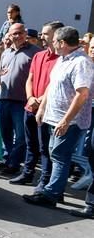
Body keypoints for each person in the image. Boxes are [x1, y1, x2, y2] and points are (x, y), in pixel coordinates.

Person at [23, 27, 94, 208]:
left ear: (62, 43)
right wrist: (42, 110)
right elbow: (51, 86)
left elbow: (82, 94)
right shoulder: (62, 60)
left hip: (70, 121)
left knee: (60, 155)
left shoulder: (81, 62)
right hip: (53, 117)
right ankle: (55, 190)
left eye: (54, 40)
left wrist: (66, 120)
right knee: (55, 154)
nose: (51, 43)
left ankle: (52, 194)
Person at [9, 21, 64, 186]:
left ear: (56, 35)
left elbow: (53, 84)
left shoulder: (62, 59)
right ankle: (27, 173)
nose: (42, 36)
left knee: (44, 147)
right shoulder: (39, 55)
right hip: (31, 107)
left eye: (46, 33)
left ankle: (44, 180)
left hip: (47, 110)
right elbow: (30, 79)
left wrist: (39, 101)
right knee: (30, 143)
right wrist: (31, 98)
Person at [0, 23, 40, 175]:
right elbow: (3, 73)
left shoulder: (35, 52)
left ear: (25, 34)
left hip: (22, 101)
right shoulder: (6, 52)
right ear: (9, 35)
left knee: (21, 135)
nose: (17, 36)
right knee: (5, 132)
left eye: (20, 33)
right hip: (4, 98)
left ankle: (14, 163)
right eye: (14, 33)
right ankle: (6, 159)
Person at [71, 36, 94, 218]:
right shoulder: (86, 66)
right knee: (90, 153)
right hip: (88, 118)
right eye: (92, 46)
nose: (93, 49)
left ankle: (91, 206)